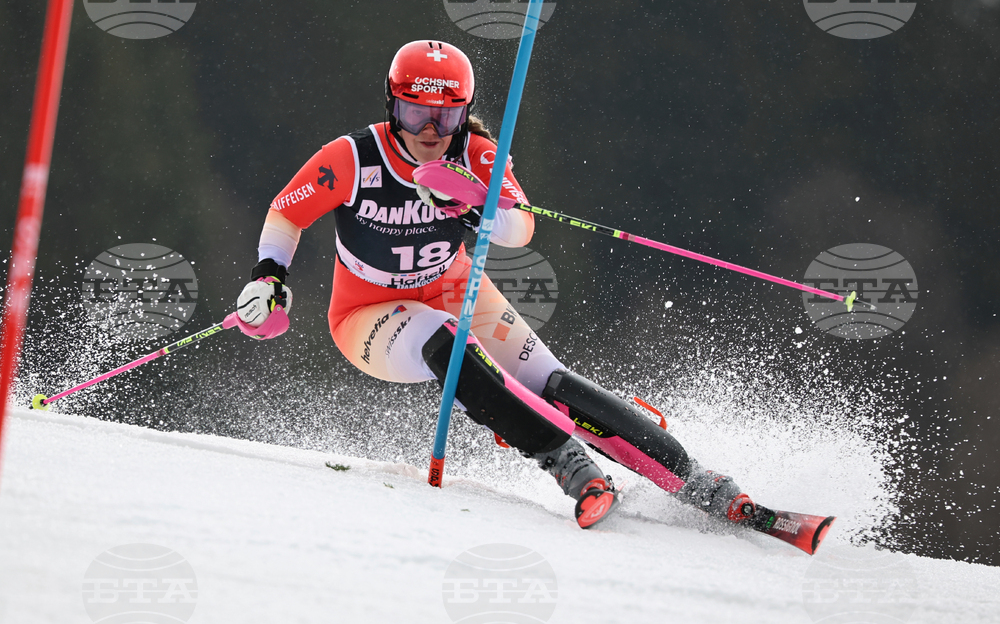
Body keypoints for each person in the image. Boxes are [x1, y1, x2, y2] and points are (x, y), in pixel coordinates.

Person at [234, 39, 755, 530]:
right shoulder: (352, 157)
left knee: (549, 381)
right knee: (445, 339)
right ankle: (570, 465)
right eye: (416, 113)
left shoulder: (479, 153)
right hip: (366, 312)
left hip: (453, 285)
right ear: (393, 105)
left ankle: (702, 485)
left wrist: (470, 205)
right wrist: (269, 276)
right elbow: (287, 212)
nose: (431, 130)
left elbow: (519, 227)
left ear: (464, 112)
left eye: (447, 116)